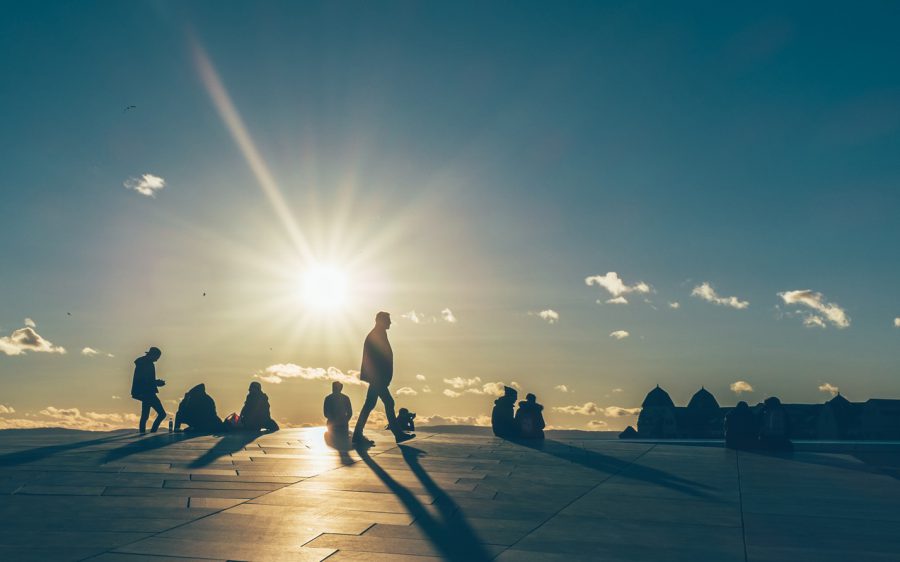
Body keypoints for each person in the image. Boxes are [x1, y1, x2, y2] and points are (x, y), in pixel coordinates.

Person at [352, 311, 415, 445]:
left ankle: (357, 434)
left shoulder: (378, 333)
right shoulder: (377, 335)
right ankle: (398, 434)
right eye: (388, 320)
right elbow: (378, 358)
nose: (390, 323)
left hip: (377, 377)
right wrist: (380, 377)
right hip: (377, 377)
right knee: (389, 402)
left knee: (370, 404)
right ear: (381, 321)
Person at [131, 347, 166, 434]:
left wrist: (155, 382)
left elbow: (146, 379)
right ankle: (152, 432)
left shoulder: (143, 362)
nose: (157, 359)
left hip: (144, 392)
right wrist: (157, 383)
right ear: (153, 355)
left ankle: (143, 433)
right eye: (157, 357)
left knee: (145, 415)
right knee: (162, 414)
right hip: (148, 392)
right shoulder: (147, 364)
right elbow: (145, 380)